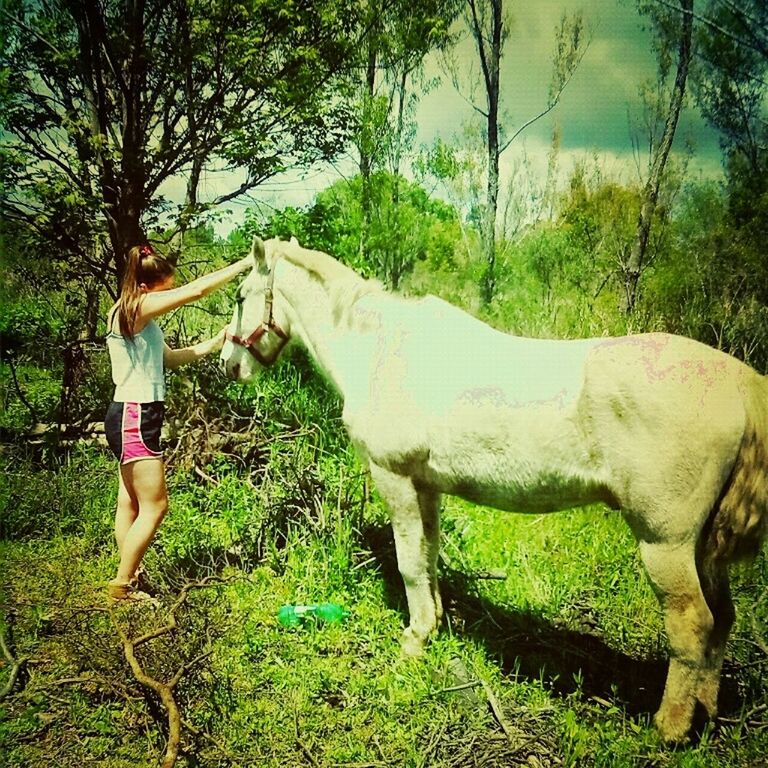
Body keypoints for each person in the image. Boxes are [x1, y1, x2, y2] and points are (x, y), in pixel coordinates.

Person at [104, 242, 252, 601]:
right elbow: (197, 290)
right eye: (165, 289)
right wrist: (245, 262)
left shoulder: (138, 318)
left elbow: (168, 359)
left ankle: (131, 574)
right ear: (144, 287)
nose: (169, 296)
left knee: (131, 502)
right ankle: (122, 588)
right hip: (136, 415)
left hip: (127, 414)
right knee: (156, 506)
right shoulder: (134, 307)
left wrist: (215, 342)